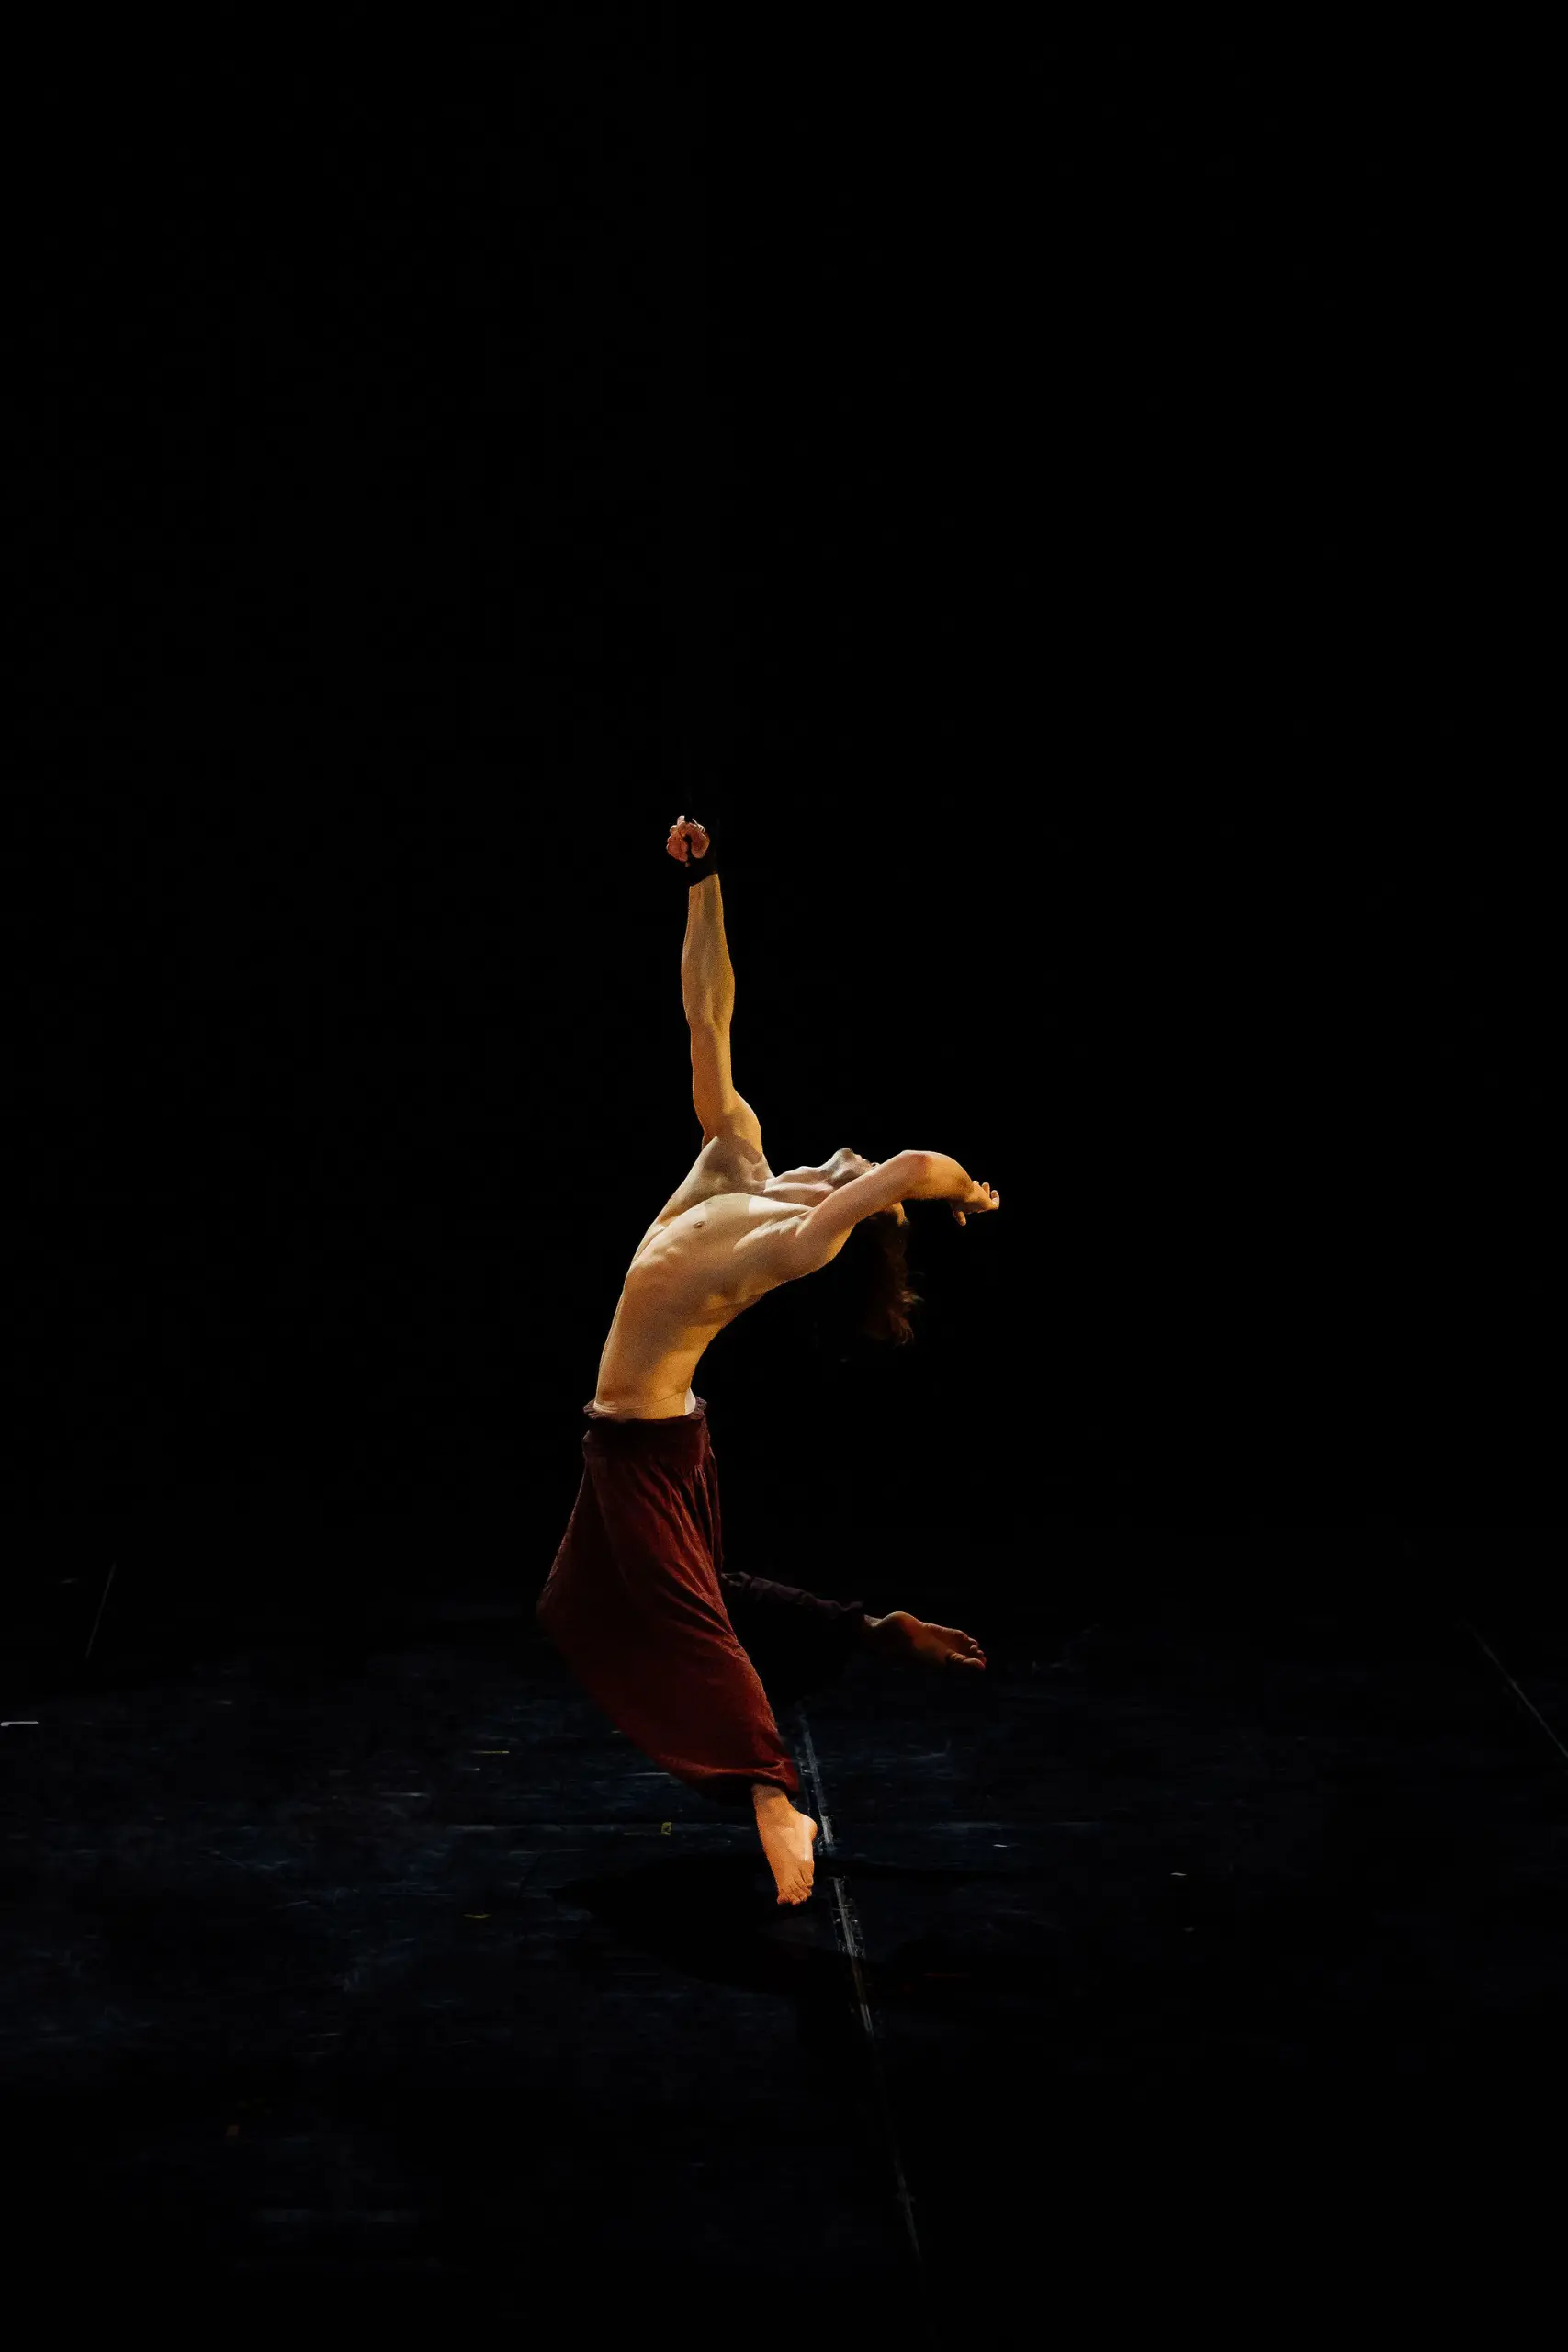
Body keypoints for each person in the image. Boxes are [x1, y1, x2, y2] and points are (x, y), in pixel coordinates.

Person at [535, 815, 999, 1906]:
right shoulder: (731, 1156)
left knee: (689, 1617)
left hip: (643, 1448)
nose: (846, 1152)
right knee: (580, 1606)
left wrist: (962, 1190)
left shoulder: (789, 1243)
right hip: (646, 1437)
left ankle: (769, 1790)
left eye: (853, 1166)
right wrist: (704, 879)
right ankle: (867, 1632)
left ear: (845, 1206)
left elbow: (912, 1166)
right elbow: (708, 1012)